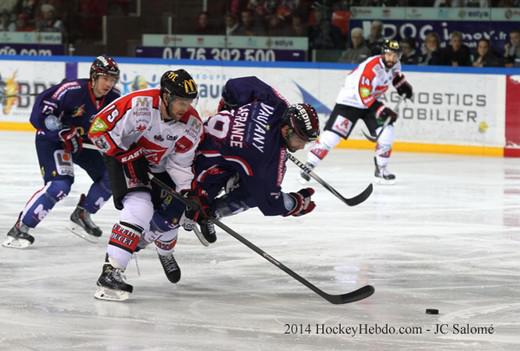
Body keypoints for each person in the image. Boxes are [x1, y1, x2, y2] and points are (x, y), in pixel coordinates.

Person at [88, 69, 202, 301]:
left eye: (189, 102)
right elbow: (97, 129)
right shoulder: (138, 105)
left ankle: (165, 251)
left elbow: (180, 165)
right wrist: (123, 153)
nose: (185, 108)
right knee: (141, 207)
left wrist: (187, 193)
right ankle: (111, 272)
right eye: (180, 101)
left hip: (158, 167)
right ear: (166, 96)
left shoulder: (191, 124)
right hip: (123, 157)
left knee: (174, 211)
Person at [183, 76, 320, 245]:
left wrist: (229, 107)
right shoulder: (266, 159)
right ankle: (210, 211)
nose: (301, 147)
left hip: (195, 140)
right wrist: (297, 203)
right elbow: (270, 202)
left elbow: (235, 85)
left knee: (245, 165)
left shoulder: (277, 104)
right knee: (250, 194)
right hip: (199, 168)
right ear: (286, 130)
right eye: (301, 141)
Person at [3, 55, 120, 249]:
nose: (108, 83)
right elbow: (40, 116)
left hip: (82, 144)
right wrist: (61, 131)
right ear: (94, 76)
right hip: (54, 142)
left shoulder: (114, 98)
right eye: (105, 78)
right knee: (60, 185)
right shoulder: (70, 90)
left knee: (112, 177)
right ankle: (20, 228)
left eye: (112, 79)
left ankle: (83, 214)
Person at [300, 40, 413, 185]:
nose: (392, 58)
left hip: (369, 102)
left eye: (395, 55)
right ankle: (308, 165)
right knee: (331, 138)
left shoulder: (396, 64)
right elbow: (363, 95)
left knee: (387, 132)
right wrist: (382, 110)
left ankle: (381, 169)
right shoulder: (371, 67)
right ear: (383, 53)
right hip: (350, 103)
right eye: (389, 54)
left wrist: (402, 86)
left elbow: (395, 76)